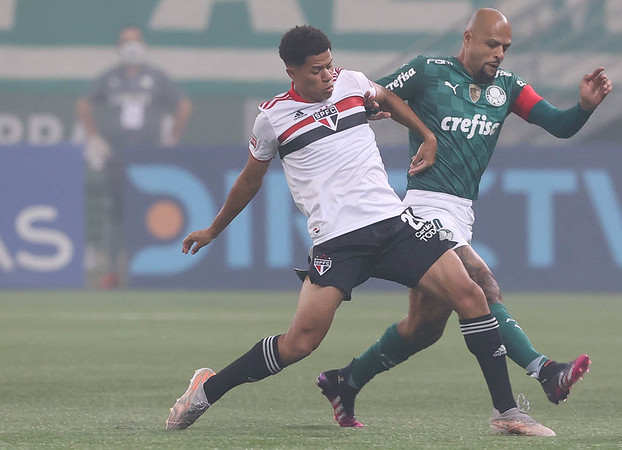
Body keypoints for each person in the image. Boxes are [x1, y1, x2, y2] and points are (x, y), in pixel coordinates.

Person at [165, 25, 554, 437]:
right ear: (291, 71)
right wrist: (212, 229)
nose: (328, 75)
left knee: (471, 295)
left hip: (392, 224)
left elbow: (386, 97)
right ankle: (206, 390)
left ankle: (507, 411)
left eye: (330, 65)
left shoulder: (351, 82)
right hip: (338, 241)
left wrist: (426, 136)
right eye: (317, 70)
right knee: (300, 344)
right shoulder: (272, 118)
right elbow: (249, 182)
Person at [316, 7, 612, 431]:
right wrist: (382, 113)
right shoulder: (428, 71)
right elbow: (377, 94)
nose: (500, 54)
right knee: (481, 282)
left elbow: (559, 125)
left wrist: (583, 107)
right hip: (423, 208)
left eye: (506, 47)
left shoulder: (507, 88)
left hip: (461, 214)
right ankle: (545, 372)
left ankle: (345, 381)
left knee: (423, 329)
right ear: (468, 38)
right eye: (492, 44)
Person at [76, 25, 192, 288]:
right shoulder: (110, 78)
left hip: (148, 157)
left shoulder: (156, 77)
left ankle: (148, 271)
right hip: (117, 155)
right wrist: (94, 137)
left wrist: (171, 136)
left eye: (135, 41)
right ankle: (112, 270)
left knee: (149, 211)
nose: (131, 47)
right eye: (126, 42)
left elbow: (183, 104)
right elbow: (84, 103)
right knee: (115, 212)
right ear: (118, 48)